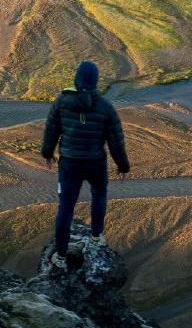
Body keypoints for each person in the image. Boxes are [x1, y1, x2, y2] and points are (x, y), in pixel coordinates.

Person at [40, 60, 130, 268]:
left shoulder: (62, 102)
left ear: (76, 79)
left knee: (65, 208)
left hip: (69, 164)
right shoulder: (106, 108)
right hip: (96, 163)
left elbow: (51, 129)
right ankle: (96, 237)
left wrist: (47, 153)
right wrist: (123, 166)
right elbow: (116, 141)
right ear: (96, 81)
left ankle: (60, 257)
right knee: (99, 195)